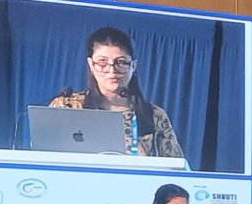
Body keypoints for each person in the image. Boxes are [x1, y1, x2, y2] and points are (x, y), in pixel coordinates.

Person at [49, 27, 185, 159]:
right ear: (91, 65)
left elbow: (176, 167)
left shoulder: (155, 115)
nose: (111, 71)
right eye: (102, 62)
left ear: (133, 66)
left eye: (120, 62)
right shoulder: (67, 106)